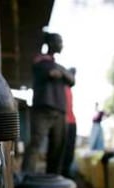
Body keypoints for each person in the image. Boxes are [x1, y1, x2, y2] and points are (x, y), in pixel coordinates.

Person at [22, 32, 75, 174]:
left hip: (60, 111)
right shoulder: (40, 60)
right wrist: (63, 73)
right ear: (51, 44)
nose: (61, 45)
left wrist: (62, 73)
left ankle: (53, 178)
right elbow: (52, 73)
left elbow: (72, 80)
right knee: (35, 144)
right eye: (59, 42)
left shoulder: (55, 65)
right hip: (43, 109)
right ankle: (26, 177)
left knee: (57, 148)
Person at [62, 67, 77, 178]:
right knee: (64, 149)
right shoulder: (61, 87)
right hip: (65, 122)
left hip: (72, 122)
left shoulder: (69, 89)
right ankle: (62, 172)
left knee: (70, 150)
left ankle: (66, 171)